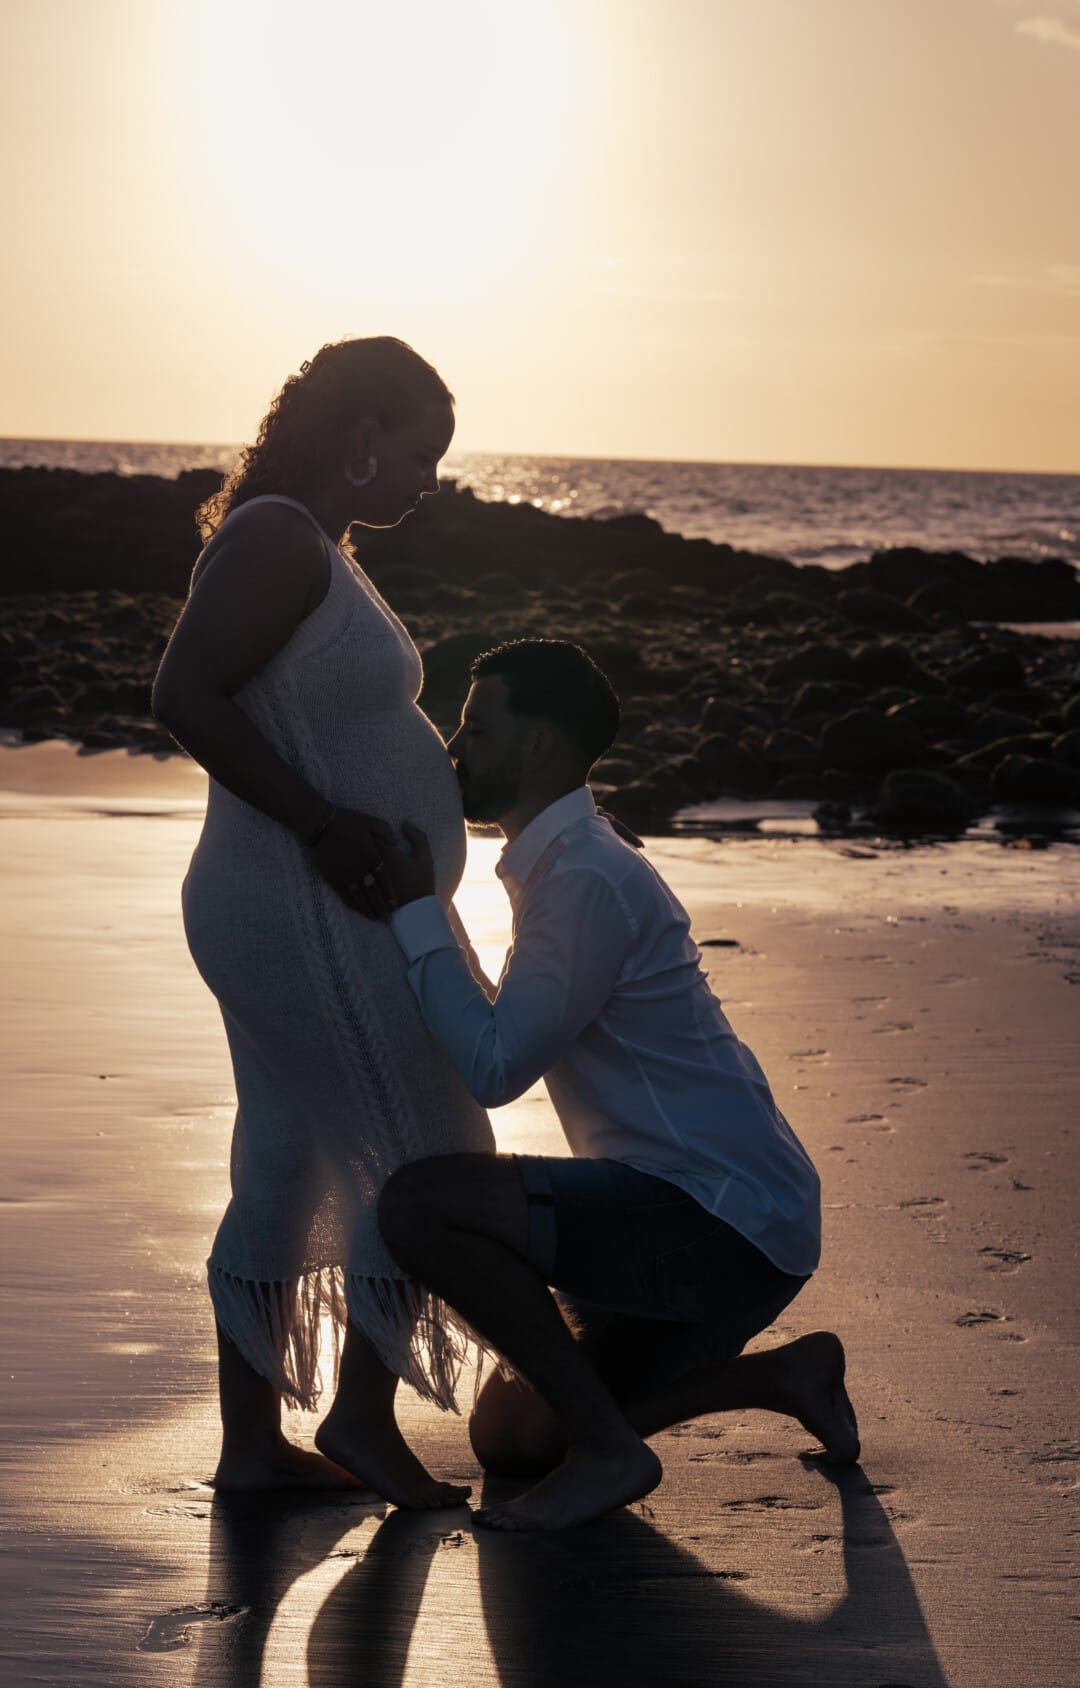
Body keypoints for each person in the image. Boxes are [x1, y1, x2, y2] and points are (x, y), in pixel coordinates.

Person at [374, 638, 860, 1530]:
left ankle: (609, 1448)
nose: (453, 747)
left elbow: (494, 1067)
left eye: (476, 727)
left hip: (718, 1218)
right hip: (717, 1218)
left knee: (418, 1207)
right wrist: (428, 915)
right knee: (512, 1439)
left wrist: (415, 912)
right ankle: (784, 1376)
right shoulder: (571, 859)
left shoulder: (585, 877)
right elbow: (504, 1028)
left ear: (539, 748)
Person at [152, 336, 494, 1505]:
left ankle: (255, 1448)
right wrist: (325, 824)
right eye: (422, 454)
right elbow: (182, 694)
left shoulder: (317, 545)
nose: (430, 481)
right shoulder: (277, 538)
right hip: (299, 902)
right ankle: (359, 1419)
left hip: (310, 899)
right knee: (430, 1145)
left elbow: (333, 723)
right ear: (362, 436)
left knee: (288, 1159)